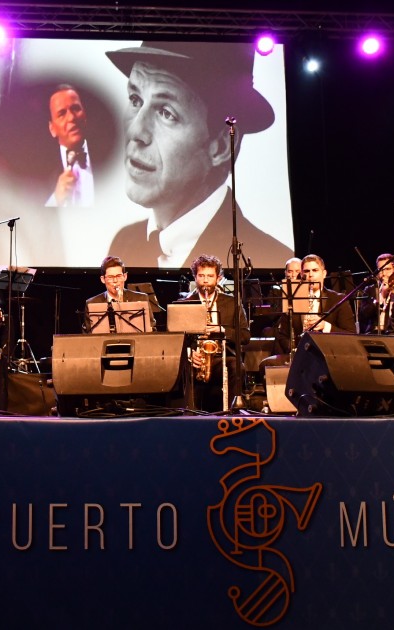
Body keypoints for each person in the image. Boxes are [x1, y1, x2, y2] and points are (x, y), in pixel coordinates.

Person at [104, 41, 292, 267]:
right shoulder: (124, 241)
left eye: (166, 113)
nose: (136, 131)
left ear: (222, 146)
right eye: (135, 100)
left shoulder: (269, 256)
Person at [176, 254, 249, 412]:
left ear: (219, 278)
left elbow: (245, 336)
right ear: (195, 277)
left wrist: (221, 329)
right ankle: (189, 416)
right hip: (195, 358)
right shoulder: (185, 304)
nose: (205, 281)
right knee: (182, 367)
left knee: (237, 367)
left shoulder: (231, 302)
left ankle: (232, 413)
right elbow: (175, 339)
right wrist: (189, 354)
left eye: (210, 276)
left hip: (222, 357)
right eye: (201, 276)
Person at [45, 84, 95, 207]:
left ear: (85, 115)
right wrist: (55, 200)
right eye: (62, 113)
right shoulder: (38, 173)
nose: (71, 117)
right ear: (52, 129)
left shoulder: (111, 155)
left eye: (76, 109)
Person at [82, 256, 155, 333]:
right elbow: (88, 333)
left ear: (125, 276)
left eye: (119, 276)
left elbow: (152, 328)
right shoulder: (92, 303)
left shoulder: (141, 298)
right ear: (103, 279)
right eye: (110, 277)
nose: (115, 281)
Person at [356, 253, 394, 336]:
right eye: (380, 270)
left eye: (387, 269)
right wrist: (381, 295)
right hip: (373, 333)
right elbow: (365, 315)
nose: (384, 274)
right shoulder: (370, 290)